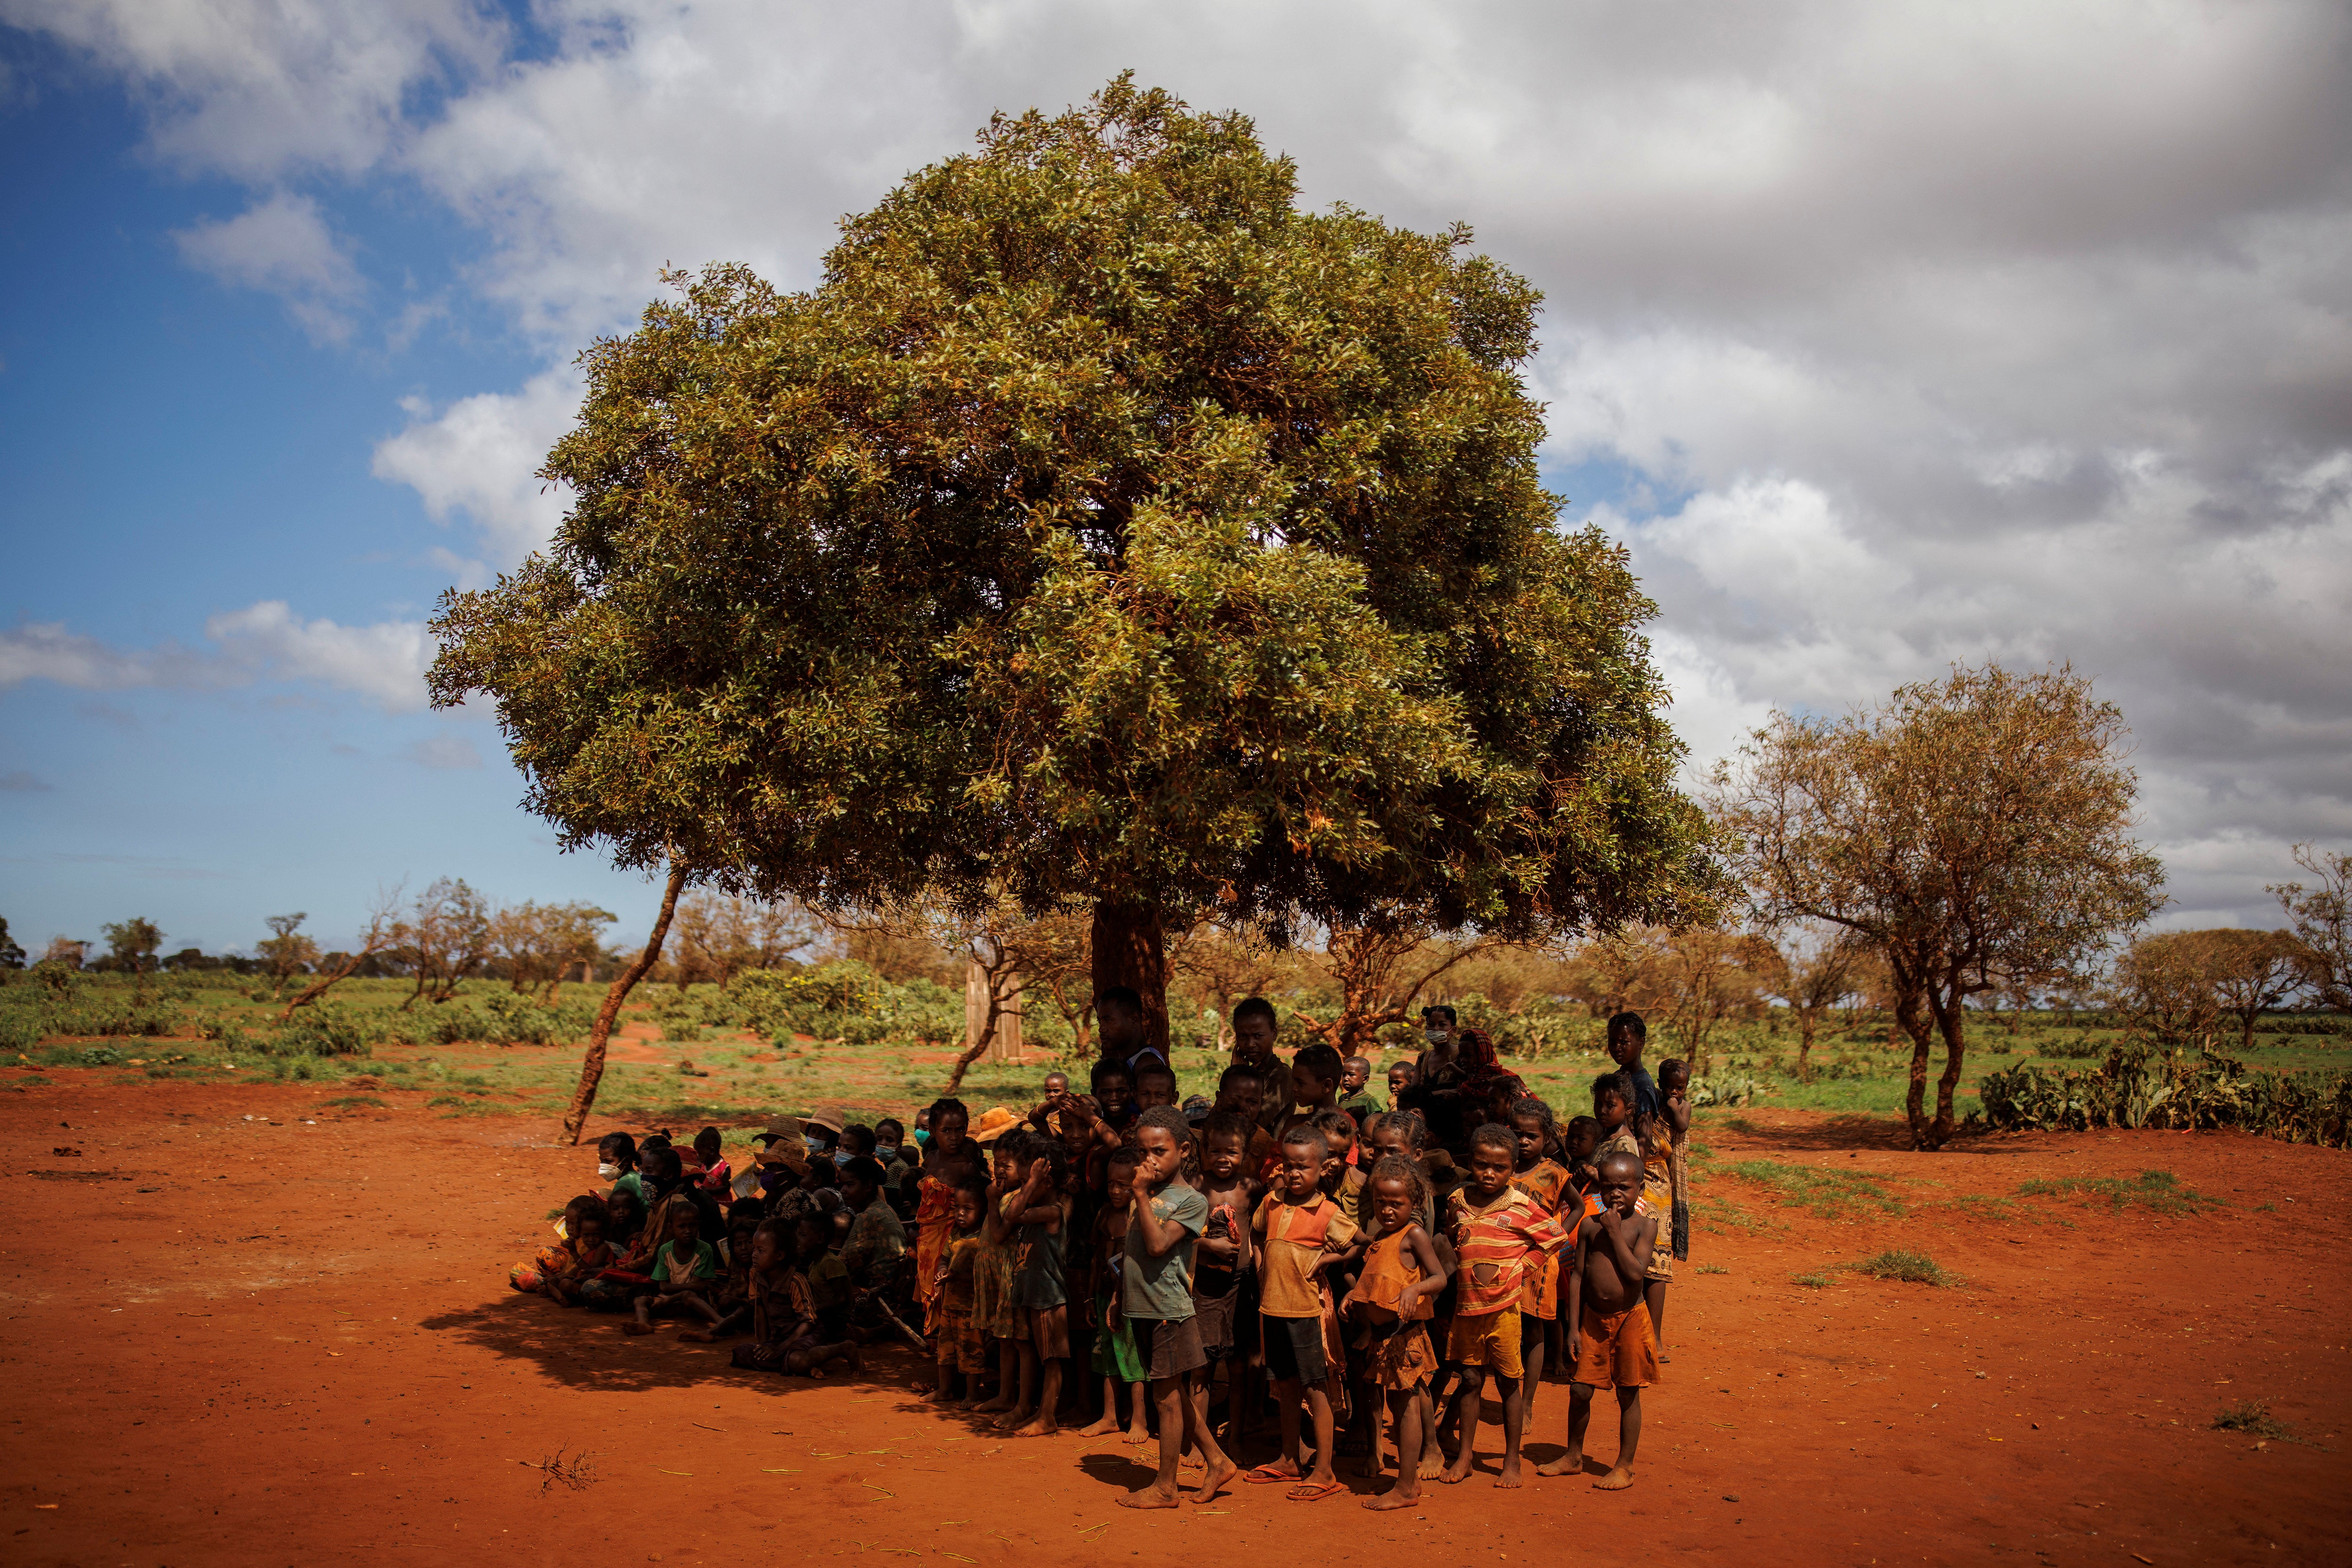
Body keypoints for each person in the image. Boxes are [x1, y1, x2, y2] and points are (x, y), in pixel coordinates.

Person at [1116, 1106, 1237, 1509]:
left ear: (1183, 1150)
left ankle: (1166, 1488)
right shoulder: (1147, 1195)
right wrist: (1121, 1295)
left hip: (1168, 1309)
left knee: (1166, 1399)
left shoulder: (1190, 1201)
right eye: (1142, 1151)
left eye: (1158, 1151)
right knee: (1171, 1394)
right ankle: (1217, 1461)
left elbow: (1156, 1245)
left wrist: (1137, 1193)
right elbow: (1131, 1251)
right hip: (1142, 1307)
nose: (1148, 1159)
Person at [1440, 1122, 1569, 1488]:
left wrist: (1521, 1270)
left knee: (1510, 1383)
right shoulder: (1458, 1200)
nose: (1489, 1174)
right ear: (1471, 1162)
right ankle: (1465, 1457)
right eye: (1481, 1165)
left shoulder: (1521, 1205)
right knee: (1468, 1380)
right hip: (1467, 1308)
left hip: (1505, 1312)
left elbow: (1555, 1237)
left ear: (1512, 1168)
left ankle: (1511, 1460)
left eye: (1499, 1167)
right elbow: (1455, 1233)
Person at [1245, 1125, 1360, 1502]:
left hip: (1308, 1310)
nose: (1295, 1174)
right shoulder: (1272, 1202)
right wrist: (1261, 1267)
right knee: (1287, 1384)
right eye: (1289, 1165)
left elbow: (1361, 1244)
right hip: (1273, 1307)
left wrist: (1329, 1257)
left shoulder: (1328, 1211)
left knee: (1316, 1385)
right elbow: (1257, 1234)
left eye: (1303, 1167)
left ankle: (1325, 1470)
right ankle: (1290, 1459)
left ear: (1323, 1168)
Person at [1542, 1149, 1657, 1489]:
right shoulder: (1590, 1225)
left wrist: (1616, 1232)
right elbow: (1577, 1277)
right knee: (1579, 1390)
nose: (1615, 1194)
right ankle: (1574, 1456)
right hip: (1593, 1320)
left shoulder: (1644, 1226)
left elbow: (1636, 1273)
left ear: (1640, 1187)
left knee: (1628, 1392)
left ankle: (1625, 1465)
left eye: (1624, 1187)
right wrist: (1574, 1328)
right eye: (1608, 1187)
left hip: (1630, 1319)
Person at [1341, 1154, 1449, 1511]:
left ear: (1414, 1203)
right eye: (1381, 1202)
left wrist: (1414, 1290)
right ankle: (1407, 1482)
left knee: (1406, 1409)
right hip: (1383, 1338)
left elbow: (1439, 1278)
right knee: (1400, 1406)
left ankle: (1405, 1487)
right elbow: (1375, 1281)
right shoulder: (1380, 1238)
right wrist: (1352, 1296)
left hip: (1404, 1336)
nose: (1387, 1210)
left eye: (1396, 1204)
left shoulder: (1413, 1235)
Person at [1190, 1110, 1259, 1447]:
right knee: (1201, 1367)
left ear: (1244, 1154)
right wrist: (1209, 1245)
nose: (1223, 1159)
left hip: (1241, 1285)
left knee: (1238, 1367)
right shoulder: (1196, 1188)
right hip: (1205, 1286)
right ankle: (1198, 1442)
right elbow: (1182, 1236)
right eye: (1215, 1151)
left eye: (1231, 1152)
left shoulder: (1249, 1188)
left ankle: (1235, 1441)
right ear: (1203, 1151)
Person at [1079, 1145, 1151, 1441]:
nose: (1116, 1191)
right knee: (1107, 1357)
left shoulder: (1141, 1216)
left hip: (1131, 1300)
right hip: (1103, 1296)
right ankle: (1109, 1417)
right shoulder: (1105, 1213)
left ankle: (1140, 1421)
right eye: (1111, 1183)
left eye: (1124, 1185)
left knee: (1134, 1360)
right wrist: (1089, 1297)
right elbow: (1097, 1257)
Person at [1003, 1137, 1073, 1436]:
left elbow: (1012, 1214)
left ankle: (1047, 1417)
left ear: (1047, 1182)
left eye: (1028, 1183)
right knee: (1045, 1356)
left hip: (1048, 1298)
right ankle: (1039, 1413)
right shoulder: (1037, 1210)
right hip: (1035, 1297)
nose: (1023, 1189)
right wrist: (1031, 1183)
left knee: (1052, 1359)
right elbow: (1011, 1216)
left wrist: (1030, 1183)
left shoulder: (1053, 1211)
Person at [1506, 1096, 1574, 1399]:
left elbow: (1576, 1206)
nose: (1523, 1142)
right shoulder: (1501, 1166)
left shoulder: (1553, 1173)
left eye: (1531, 1136)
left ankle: (1527, 1402)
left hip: (1538, 1261)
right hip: (1503, 1255)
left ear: (1546, 1138)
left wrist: (1556, 1237)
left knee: (1533, 1329)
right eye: (1518, 1134)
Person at [928, 1180, 988, 1403]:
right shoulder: (955, 1233)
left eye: (968, 1209)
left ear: (983, 1211)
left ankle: (973, 1394)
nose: (961, 1214)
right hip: (949, 1304)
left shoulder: (984, 1237)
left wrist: (956, 1277)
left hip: (970, 1307)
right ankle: (945, 1390)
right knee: (945, 1350)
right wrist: (943, 1270)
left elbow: (984, 1274)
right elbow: (944, 1258)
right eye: (957, 1207)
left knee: (971, 1351)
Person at [628, 1200, 725, 1336]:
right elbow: (664, 1287)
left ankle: (721, 1321)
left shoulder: (704, 1249)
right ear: (671, 1228)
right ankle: (643, 1324)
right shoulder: (665, 1250)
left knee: (689, 1296)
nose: (688, 1231)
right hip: (669, 1301)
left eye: (693, 1225)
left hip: (693, 1303)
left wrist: (687, 1289)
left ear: (699, 1225)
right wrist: (688, 1289)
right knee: (640, 1300)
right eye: (682, 1226)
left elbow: (699, 1289)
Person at [510, 1197, 613, 1300]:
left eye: (574, 1223)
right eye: (568, 1223)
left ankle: (556, 1292)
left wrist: (561, 1275)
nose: (570, 1228)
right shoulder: (582, 1240)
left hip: (586, 1280)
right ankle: (556, 1292)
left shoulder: (594, 1245)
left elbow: (587, 1270)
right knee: (546, 1258)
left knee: (553, 1278)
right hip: (575, 1276)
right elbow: (571, 1268)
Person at [1230, 997, 1294, 1134]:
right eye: (1243, 1037)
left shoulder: (1281, 1075)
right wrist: (1236, 1076)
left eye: (1258, 1036)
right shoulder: (1251, 1073)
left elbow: (1252, 1126)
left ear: (1274, 1034)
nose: (1250, 1044)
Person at [1097, 984, 1169, 1080]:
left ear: (1134, 1020)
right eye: (1100, 1021)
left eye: (1108, 1021)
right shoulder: (1129, 1060)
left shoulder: (1146, 1064)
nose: (1101, 1029)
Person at [1606, 1011, 1663, 1125]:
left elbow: (1645, 1139)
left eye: (1624, 1042)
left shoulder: (1643, 1085)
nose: (1617, 1048)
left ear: (1641, 1043)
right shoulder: (1619, 1075)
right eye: (1612, 1041)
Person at [1338, 1055, 1384, 1121]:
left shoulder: (1369, 1101)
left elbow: (1378, 1122)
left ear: (1365, 1079)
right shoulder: (1342, 1098)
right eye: (1344, 1075)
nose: (1346, 1079)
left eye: (1351, 1075)